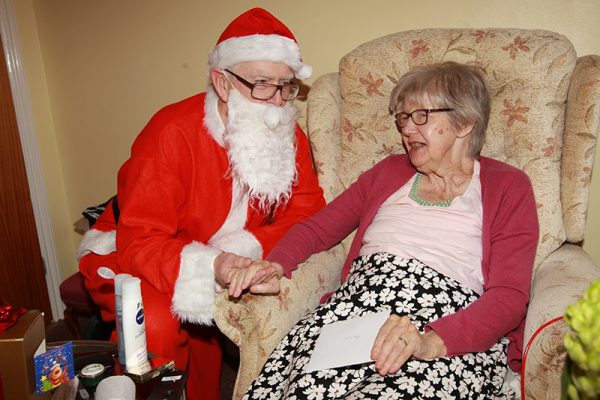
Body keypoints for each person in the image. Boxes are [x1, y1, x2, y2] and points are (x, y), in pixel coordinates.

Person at [233, 61, 539, 399]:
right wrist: (275, 264)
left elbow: (509, 297)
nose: (407, 129)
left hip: (444, 331)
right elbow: (319, 229)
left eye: (421, 115)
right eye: (403, 118)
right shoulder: (388, 172)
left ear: (465, 122)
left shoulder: (508, 186)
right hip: (353, 315)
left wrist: (431, 342)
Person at [77, 8, 325, 400]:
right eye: (262, 84)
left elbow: (309, 210)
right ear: (222, 83)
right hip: (133, 249)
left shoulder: (286, 130)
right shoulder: (170, 132)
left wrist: (247, 250)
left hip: (212, 252)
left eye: (285, 86)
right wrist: (214, 264)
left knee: (201, 370)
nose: (277, 102)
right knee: (156, 322)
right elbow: (140, 241)